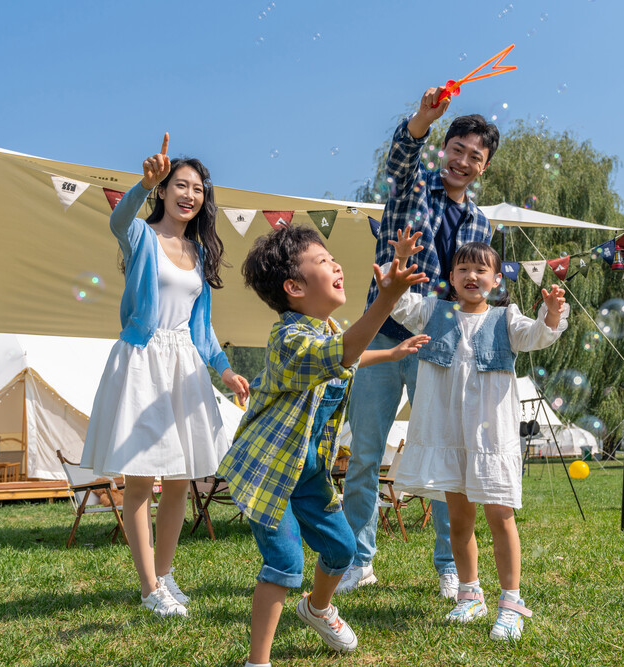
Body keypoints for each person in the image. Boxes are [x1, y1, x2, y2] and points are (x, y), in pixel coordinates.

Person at [216, 225, 429, 667]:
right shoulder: (288, 340)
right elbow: (341, 353)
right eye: (323, 261)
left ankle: (316, 607)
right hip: (270, 473)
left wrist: (389, 354)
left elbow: (345, 350)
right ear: (293, 287)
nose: (335, 265)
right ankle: (258, 661)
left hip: (308, 471)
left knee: (342, 548)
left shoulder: (327, 328)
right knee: (285, 563)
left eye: (333, 258)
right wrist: (385, 300)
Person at [339, 86, 501, 598]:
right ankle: (357, 561)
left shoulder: (481, 222)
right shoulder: (411, 188)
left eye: (476, 156)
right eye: (458, 150)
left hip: (440, 346)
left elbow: (474, 288)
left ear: (484, 167)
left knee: (443, 454)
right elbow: (402, 155)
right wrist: (421, 120)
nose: (464, 161)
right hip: (382, 337)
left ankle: (450, 565)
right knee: (364, 455)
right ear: (444, 149)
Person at [80, 134, 250, 617]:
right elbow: (117, 219)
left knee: (180, 480)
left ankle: (168, 574)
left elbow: (202, 328)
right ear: (163, 188)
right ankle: (149, 586)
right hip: (142, 361)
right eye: (179, 184)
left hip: (185, 366)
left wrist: (226, 370)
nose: (189, 194)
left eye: (197, 188)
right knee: (141, 481)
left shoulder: (199, 253)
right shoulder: (141, 236)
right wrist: (142, 183)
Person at [387, 238, 568, 641]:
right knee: (459, 519)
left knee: (500, 517)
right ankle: (470, 593)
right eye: (463, 269)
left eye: (481, 269)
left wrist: (552, 314)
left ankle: (511, 601)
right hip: (447, 432)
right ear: (450, 278)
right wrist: (400, 261)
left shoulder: (507, 319)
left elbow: (538, 335)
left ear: (497, 279)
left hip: (491, 436)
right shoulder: (434, 311)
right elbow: (398, 303)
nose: (472, 276)